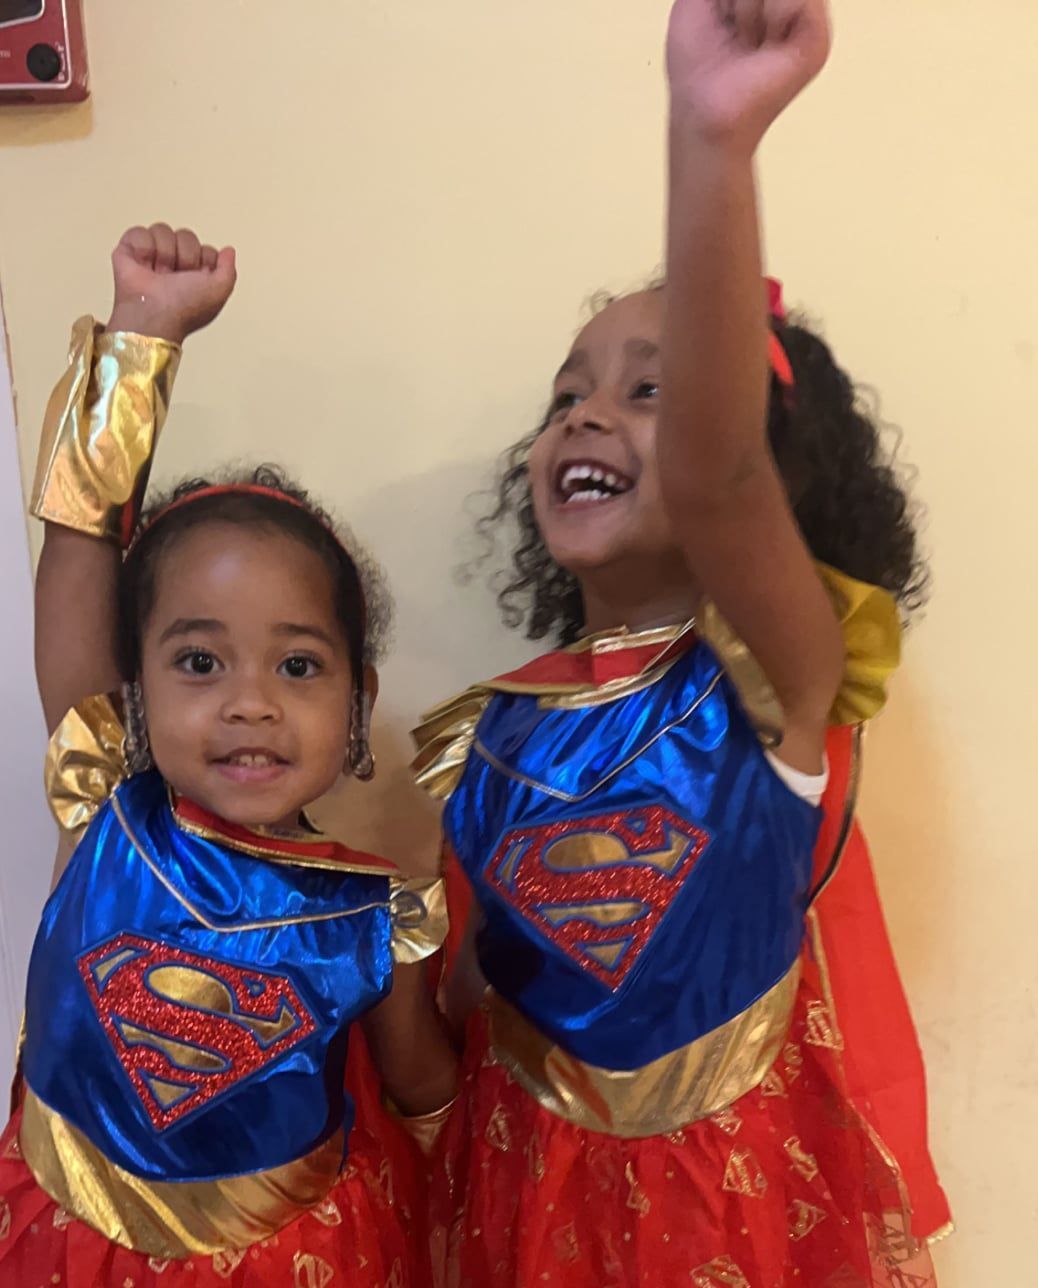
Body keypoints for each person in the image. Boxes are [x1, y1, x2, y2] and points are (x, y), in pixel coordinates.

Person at [412, 2, 949, 1282]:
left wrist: (712, 139)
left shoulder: (778, 684)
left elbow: (716, 479)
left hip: (736, 1208)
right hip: (532, 1195)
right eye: (568, 395)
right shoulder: (494, 730)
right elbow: (477, 1004)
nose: (588, 414)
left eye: (647, 388)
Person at [0, 224, 456, 1286]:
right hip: (70, 1240)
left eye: (298, 668)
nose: (250, 703)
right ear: (133, 690)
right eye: (199, 661)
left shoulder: (375, 915)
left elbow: (429, 1095)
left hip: (295, 1259)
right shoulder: (110, 812)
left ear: (358, 705)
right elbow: (74, 564)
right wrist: (140, 343)